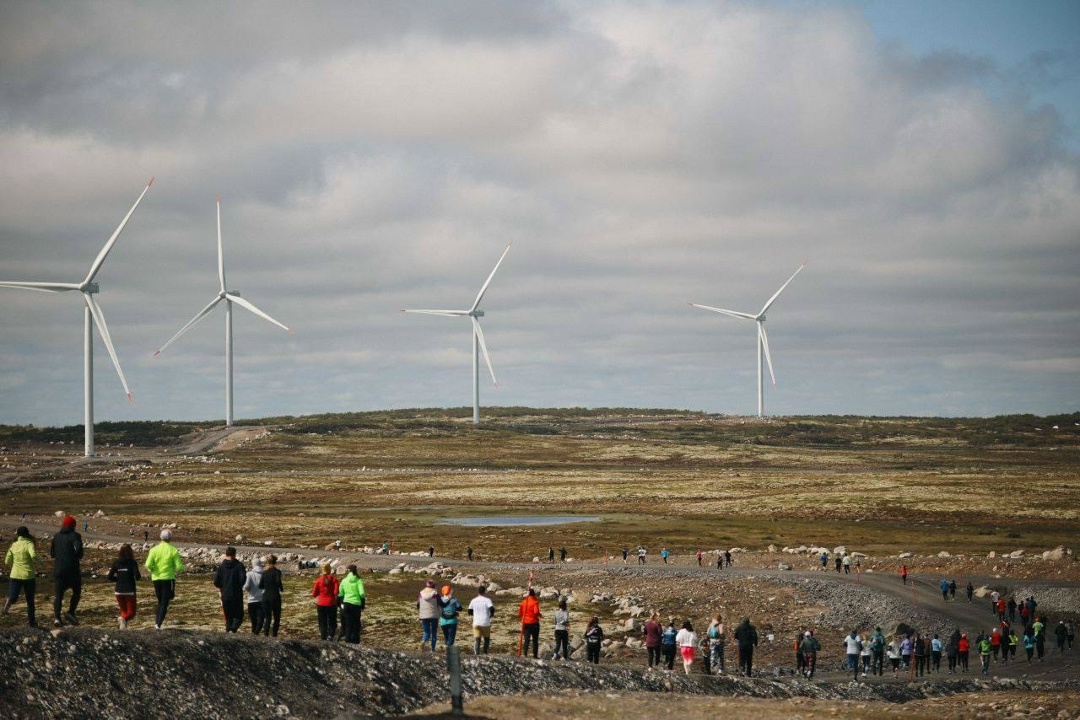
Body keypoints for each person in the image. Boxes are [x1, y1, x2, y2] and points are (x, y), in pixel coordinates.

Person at [145, 529, 185, 630]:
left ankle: (156, 622)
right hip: (168, 578)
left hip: (156, 578)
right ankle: (158, 624)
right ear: (170, 538)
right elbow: (179, 567)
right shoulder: (173, 550)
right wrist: (180, 569)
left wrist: (153, 570)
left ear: (160, 537)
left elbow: (148, 564)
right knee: (164, 602)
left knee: (160, 601)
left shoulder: (154, 549)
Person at [50, 514, 84, 627]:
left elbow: (52, 554)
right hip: (72, 569)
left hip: (59, 569)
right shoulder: (75, 536)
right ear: (73, 526)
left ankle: (57, 618)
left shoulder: (56, 536)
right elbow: (78, 550)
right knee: (76, 592)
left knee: (58, 595)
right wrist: (77, 555)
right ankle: (71, 612)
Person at [3, 526, 38, 627]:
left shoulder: (13, 545)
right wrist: (40, 562)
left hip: (15, 574)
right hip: (28, 576)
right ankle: (32, 623)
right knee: (30, 601)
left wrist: (15, 565)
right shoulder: (29, 543)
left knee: (13, 596)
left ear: (17, 534)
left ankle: (9, 600)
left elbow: (7, 561)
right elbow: (33, 555)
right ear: (27, 534)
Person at [213, 546, 247, 633]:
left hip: (225, 595)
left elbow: (216, 581)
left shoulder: (221, 567)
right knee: (239, 616)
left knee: (228, 618)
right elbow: (243, 579)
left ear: (226, 554)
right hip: (236, 595)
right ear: (234, 555)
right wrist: (238, 586)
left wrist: (222, 587)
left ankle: (229, 632)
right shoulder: (239, 566)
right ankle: (233, 629)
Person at [107, 543, 141, 629]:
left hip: (118, 590)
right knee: (131, 613)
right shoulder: (132, 562)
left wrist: (118, 579)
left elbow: (109, 577)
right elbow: (137, 577)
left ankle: (123, 629)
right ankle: (123, 619)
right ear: (130, 552)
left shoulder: (116, 562)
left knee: (123, 610)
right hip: (129, 590)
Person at [311, 563, 339, 641]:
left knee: (322, 622)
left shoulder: (318, 580)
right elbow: (336, 592)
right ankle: (330, 636)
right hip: (331, 603)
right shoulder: (334, 580)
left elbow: (314, 594)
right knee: (332, 621)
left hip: (321, 604)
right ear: (330, 570)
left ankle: (323, 636)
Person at [338, 564, 365, 644]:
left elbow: (340, 593)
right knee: (356, 623)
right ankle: (355, 640)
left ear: (348, 571)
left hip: (346, 603)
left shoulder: (344, 580)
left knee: (348, 623)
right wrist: (362, 601)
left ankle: (347, 640)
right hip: (356, 604)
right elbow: (362, 593)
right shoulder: (359, 580)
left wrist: (340, 601)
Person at [258, 554, 284, 637]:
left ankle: (266, 635)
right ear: (275, 562)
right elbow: (278, 582)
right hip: (275, 595)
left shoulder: (264, 573)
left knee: (267, 618)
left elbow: (260, 585)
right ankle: (274, 634)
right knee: (276, 617)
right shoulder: (277, 572)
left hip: (266, 596)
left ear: (267, 563)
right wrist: (281, 588)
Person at [468, 585, 495, 655]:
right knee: (486, 639)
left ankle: (476, 654)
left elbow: (469, 610)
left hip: (476, 622)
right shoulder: (487, 600)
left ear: (478, 592)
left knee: (477, 639)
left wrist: (473, 615)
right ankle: (485, 653)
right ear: (484, 592)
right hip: (485, 622)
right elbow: (492, 608)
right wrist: (491, 615)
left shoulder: (473, 600)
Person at [418, 579, 440, 652]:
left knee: (426, 632)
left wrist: (421, 611)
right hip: (434, 615)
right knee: (434, 633)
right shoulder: (436, 593)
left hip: (424, 616)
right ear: (433, 586)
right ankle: (433, 649)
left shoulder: (421, 593)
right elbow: (440, 603)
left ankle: (423, 642)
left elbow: (418, 604)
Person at [518, 588, 541, 658]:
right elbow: (536, 612)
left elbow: (519, 614)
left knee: (526, 639)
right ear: (534, 594)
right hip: (534, 623)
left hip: (525, 623)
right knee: (535, 640)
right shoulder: (535, 602)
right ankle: (535, 655)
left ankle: (525, 654)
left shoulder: (523, 602)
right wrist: (539, 615)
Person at [244, 557, 265, 634]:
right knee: (261, 619)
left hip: (252, 600)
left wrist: (249, 590)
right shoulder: (264, 574)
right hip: (262, 600)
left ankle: (254, 633)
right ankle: (256, 633)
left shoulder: (249, 574)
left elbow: (246, 586)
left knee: (253, 620)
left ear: (253, 565)